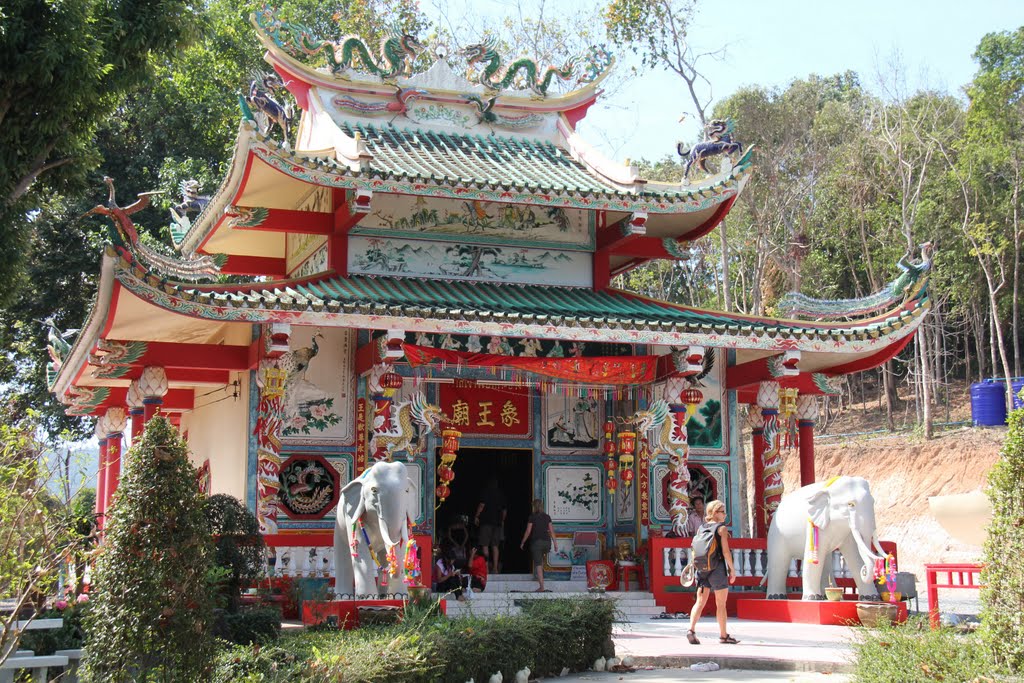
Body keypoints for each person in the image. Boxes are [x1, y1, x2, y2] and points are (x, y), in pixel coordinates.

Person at [686, 499, 739, 645]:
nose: (725, 515)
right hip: (717, 568)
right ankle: (723, 635)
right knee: (720, 604)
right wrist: (732, 570)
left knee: (700, 601)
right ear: (715, 513)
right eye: (722, 512)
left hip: (702, 569)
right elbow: (726, 552)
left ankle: (691, 630)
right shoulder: (721, 529)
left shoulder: (701, 528)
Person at [520, 498, 557, 592]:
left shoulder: (532, 517)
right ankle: (541, 576)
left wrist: (523, 542)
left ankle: (542, 587)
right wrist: (555, 544)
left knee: (538, 565)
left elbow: (528, 531)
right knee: (541, 558)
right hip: (547, 543)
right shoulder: (547, 517)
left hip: (537, 543)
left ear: (534, 506)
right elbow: (552, 531)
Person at [475, 478, 507, 573]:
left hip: (486, 522)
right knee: (495, 546)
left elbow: (481, 506)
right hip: (497, 523)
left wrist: (477, 516)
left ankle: (487, 569)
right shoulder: (501, 494)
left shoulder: (486, 492)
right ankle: (495, 568)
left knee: (485, 545)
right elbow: (505, 510)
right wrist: (502, 520)